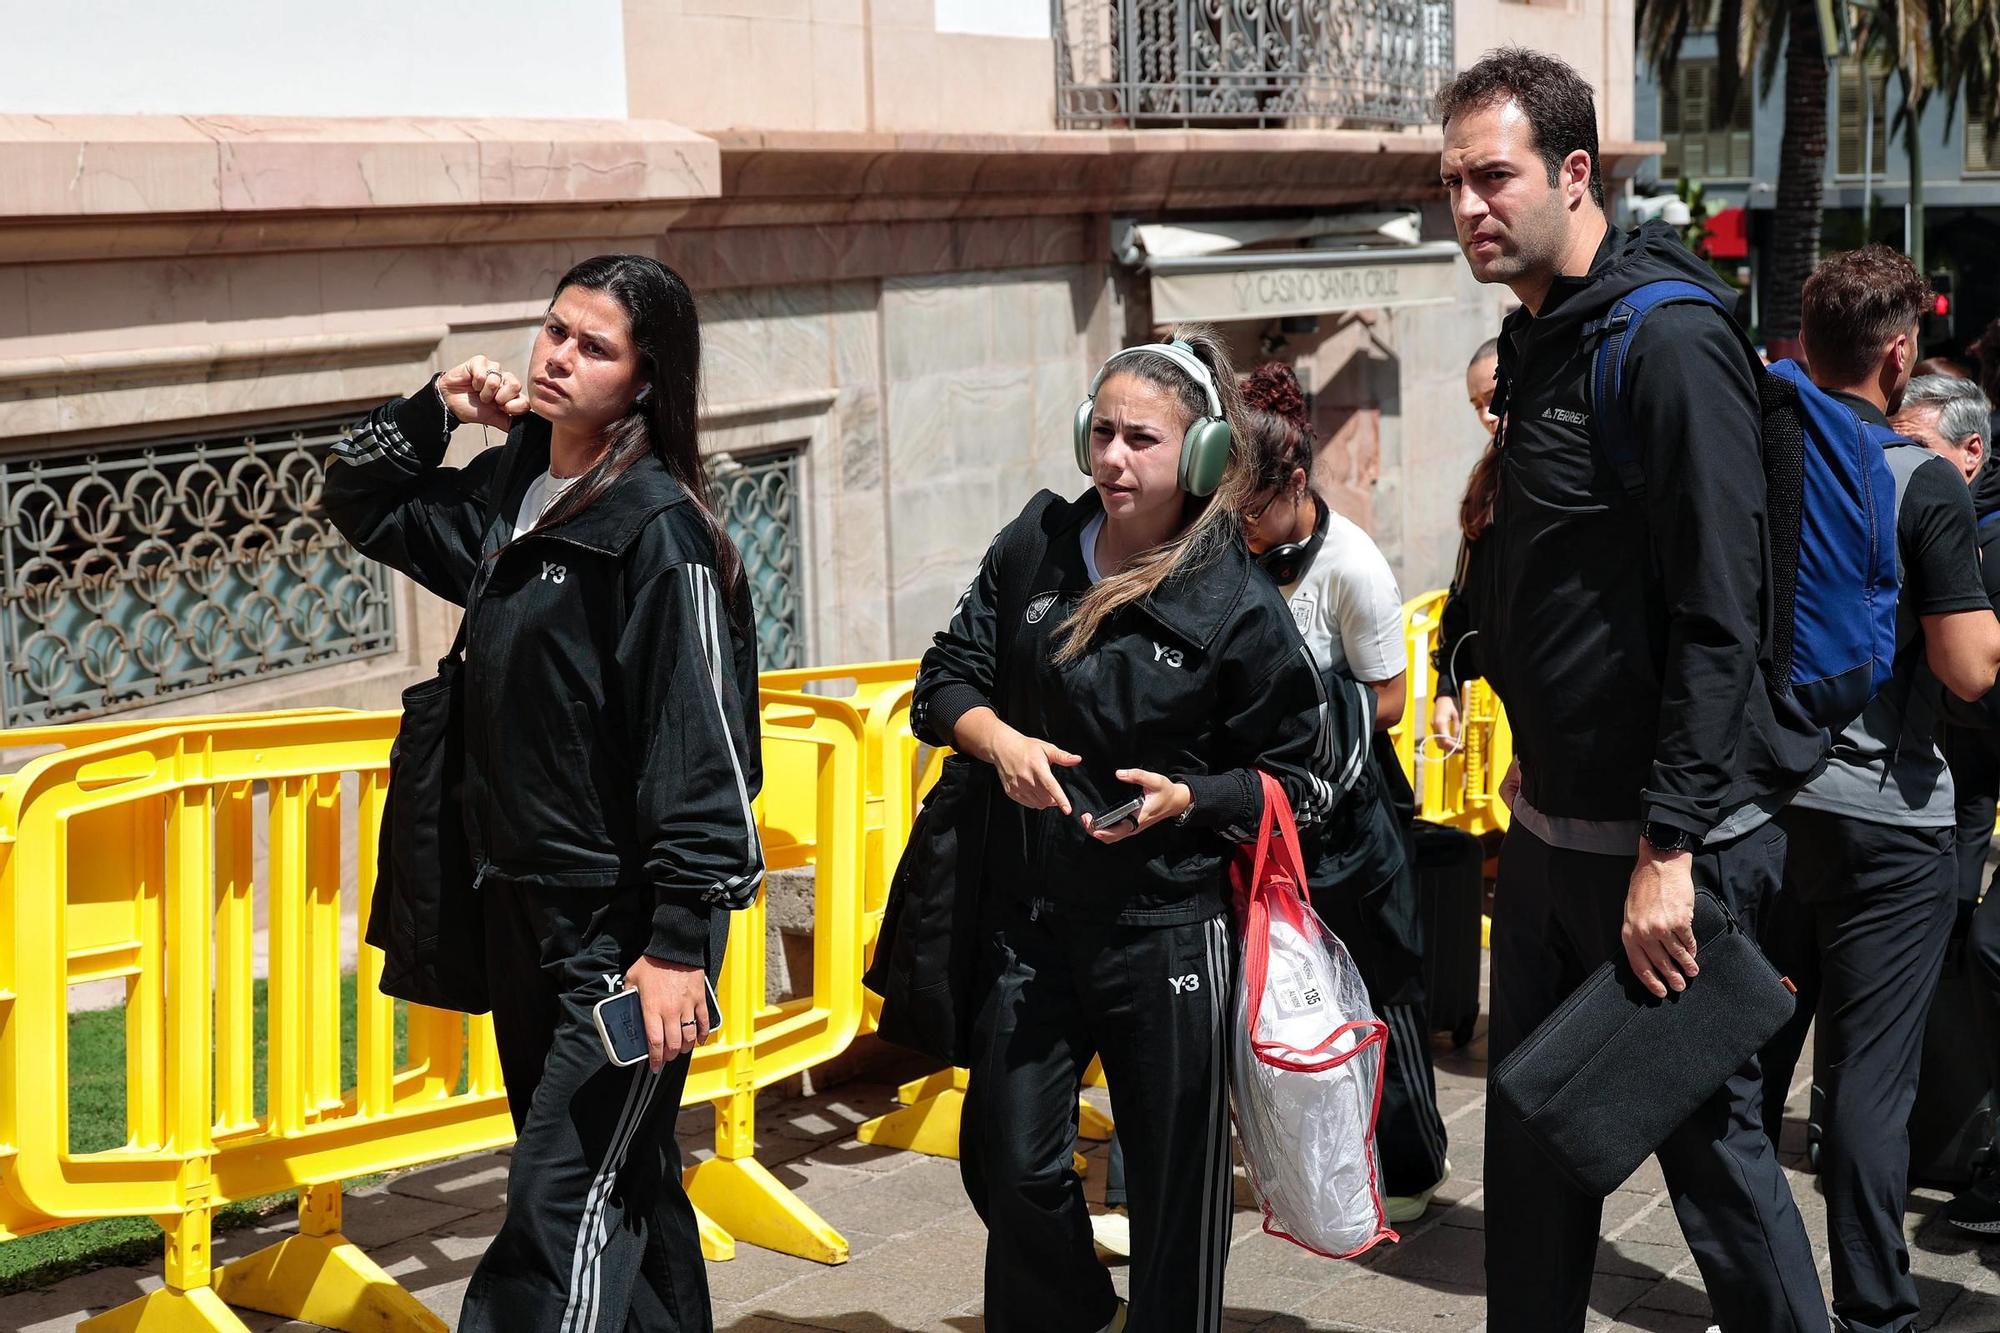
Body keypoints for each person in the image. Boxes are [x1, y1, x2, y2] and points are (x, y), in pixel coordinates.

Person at [1438, 47, 1831, 1333]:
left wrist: (1668, 849)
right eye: (1449, 184)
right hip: (1551, 841)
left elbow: (1721, 614)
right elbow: (1547, 557)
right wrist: (1472, 666)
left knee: (1716, 1173)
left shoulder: (1664, 342)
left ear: (1571, 170)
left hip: (1664, 859)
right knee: (1535, 1171)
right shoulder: (1541, 335)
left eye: (1490, 178)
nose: (1467, 209)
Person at [323, 255, 762, 1332]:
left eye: (594, 345)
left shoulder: (658, 533)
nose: (559, 357)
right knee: (621, 1180)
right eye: (555, 330)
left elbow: (702, 748)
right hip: (520, 909)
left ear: (645, 380)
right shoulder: (509, 491)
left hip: (619, 938)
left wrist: (675, 942)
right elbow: (360, 499)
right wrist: (434, 411)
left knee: (557, 1206)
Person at [913, 326, 1369, 1332]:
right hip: (1028, 918)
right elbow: (944, 676)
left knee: (1172, 1192)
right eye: (1104, 433)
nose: (1115, 458)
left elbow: (1303, 775)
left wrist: (1193, 799)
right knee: (1007, 1155)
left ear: (1199, 454)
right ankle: (1072, 1306)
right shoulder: (1033, 541)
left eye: (1143, 440)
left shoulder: (1237, 602)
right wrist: (998, 742)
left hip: (1167, 927)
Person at [1758, 250, 2000, 1333]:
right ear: (1897, 355)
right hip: (1889, 819)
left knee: (1750, 1062)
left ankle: (1760, 1290)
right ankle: (1870, 1311)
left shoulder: (1758, 456)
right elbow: (1965, 670)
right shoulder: (1924, 481)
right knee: (1864, 1083)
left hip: (1764, 807)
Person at [1235, 361, 1450, 1221]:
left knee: (1382, 988)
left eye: (1253, 511)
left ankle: (1409, 1168)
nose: (1242, 530)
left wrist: (1313, 710)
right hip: (1257, 811)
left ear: (1294, 484)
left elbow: (1390, 696)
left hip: (1352, 817)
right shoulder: (1227, 547)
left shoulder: (1353, 566)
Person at [1892, 372, 2000, 1238]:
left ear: (1971, 454)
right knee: (1956, 936)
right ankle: (1952, 1137)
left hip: (1973, 766)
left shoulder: (1984, 539)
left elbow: (1973, 679)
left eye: (1918, 447)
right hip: (1958, 778)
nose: (1900, 462)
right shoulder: (1937, 520)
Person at [1430, 337, 1501, 745]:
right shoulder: (1488, 479)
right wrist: (1447, 687)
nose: (1487, 415)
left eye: (1493, 397)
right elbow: (1465, 589)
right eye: (1476, 405)